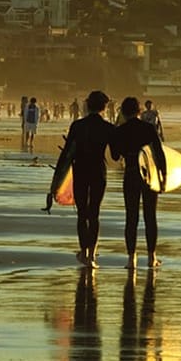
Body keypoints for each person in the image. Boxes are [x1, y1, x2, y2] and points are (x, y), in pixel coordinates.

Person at [54, 91, 116, 269]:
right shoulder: (108, 128)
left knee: (82, 214)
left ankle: (84, 251)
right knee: (94, 213)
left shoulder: (77, 125)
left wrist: (57, 180)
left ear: (88, 105)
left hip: (80, 171)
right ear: (104, 107)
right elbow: (115, 155)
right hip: (98, 172)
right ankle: (91, 256)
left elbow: (66, 154)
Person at [111, 97, 167, 270]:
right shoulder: (148, 128)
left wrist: (116, 137)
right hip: (149, 176)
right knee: (150, 216)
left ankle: (131, 259)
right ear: (139, 110)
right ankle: (152, 257)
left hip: (131, 174)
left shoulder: (120, 130)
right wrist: (163, 177)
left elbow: (115, 156)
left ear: (123, 112)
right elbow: (159, 153)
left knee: (131, 217)